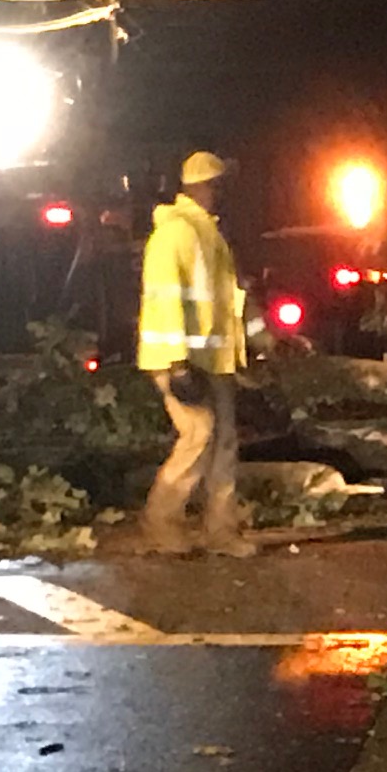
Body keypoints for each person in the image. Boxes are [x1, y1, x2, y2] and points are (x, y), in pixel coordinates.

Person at [136, 151, 254, 557]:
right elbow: (165, 302)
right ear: (203, 186)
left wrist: (259, 341)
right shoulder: (176, 234)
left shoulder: (208, 233)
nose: (223, 193)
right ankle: (160, 522)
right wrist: (177, 363)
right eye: (218, 184)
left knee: (223, 441)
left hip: (213, 359)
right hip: (181, 359)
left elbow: (228, 300)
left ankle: (221, 531)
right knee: (198, 434)